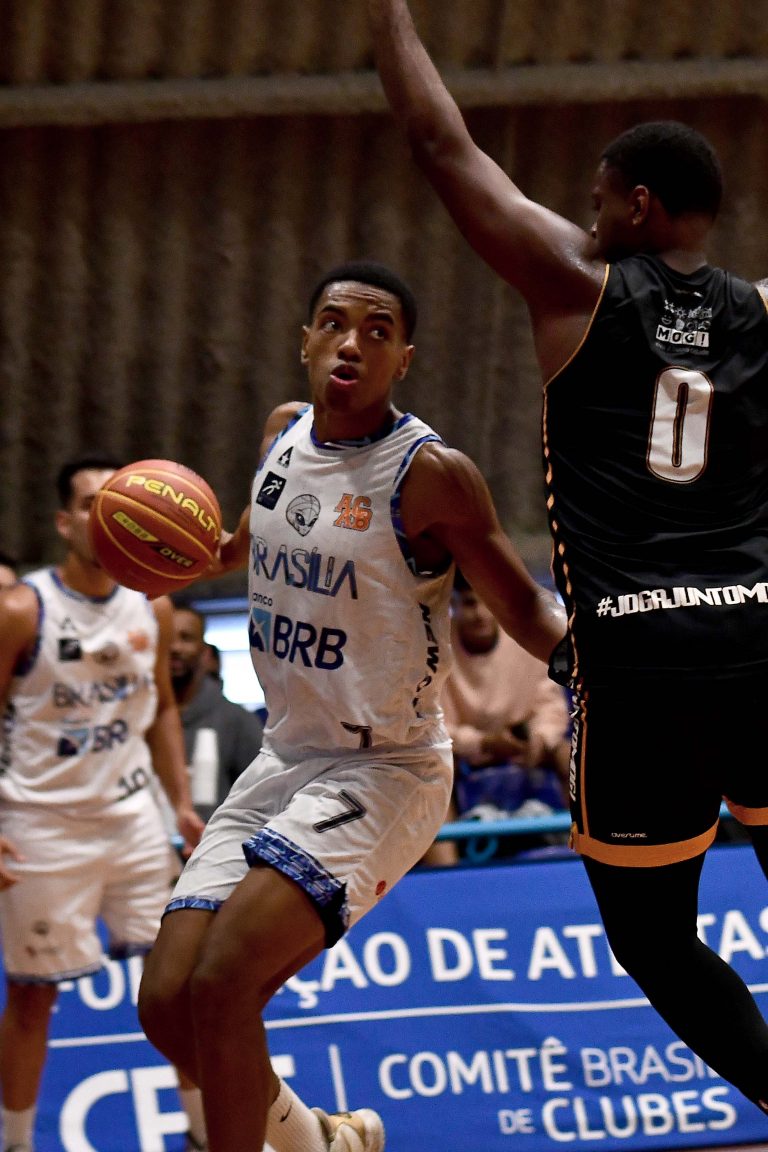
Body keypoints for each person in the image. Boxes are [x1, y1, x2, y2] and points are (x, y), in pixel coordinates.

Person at [368, 0, 768, 1118]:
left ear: (638, 204)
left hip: (641, 663)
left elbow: (442, 144)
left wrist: (387, 13)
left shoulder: (578, 286)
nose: (586, 217)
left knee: (656, 941)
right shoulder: (759, 312)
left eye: (597, 199)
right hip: (761, 638)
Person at [137, 259, 566, 1152]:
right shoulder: (282, 434)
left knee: (224, 985)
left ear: (403, 360)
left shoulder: (430, 474)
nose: (351, 344)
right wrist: (184, 553)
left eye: (378, 332)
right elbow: (242, 543)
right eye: (334, 323)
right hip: (285, 756)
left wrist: (627, 668)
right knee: (169, 1008)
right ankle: (326, 1143)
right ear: (305, 340)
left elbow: (526, 611)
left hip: (385, 767)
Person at [0, 453, 207, 1152]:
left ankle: (206, 1136)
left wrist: (180, 802)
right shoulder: (21, 610)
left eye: (119, 496)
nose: (109, 512)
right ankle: (17, 1143)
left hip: (133, 821)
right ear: (66, 523)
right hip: (41, 825)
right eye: (92, 502)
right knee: (33, 995)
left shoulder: (154, 604)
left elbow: (163, 710)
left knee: (177, 986)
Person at [440, 571, 571, 861]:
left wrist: (538, 739)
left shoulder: (527, 635)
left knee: (570, 756)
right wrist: (483, 743)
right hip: (462, 756)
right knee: (432, 773)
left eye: (487, 603)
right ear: (453, 604)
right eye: (470, 603)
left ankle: (589, 845)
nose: (480, 614)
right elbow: (434, 726)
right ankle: (446, 870)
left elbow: (550, 706)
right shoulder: (436, 646)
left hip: (526, 746)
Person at [170, 601, 264, 822]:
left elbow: (262, 800)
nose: (175, 648)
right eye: (167, 638)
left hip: (213, 838)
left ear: (205, 653)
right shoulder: (140, 718)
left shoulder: (238, 721)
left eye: (186, 638)